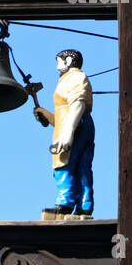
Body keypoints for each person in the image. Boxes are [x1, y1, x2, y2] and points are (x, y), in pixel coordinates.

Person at [33, 49, 94, 216]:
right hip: (77, 123)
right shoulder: (67, 79)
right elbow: (63, 116)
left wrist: (68, 132)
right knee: (81, 167)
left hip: (77, 124)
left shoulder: (75, 77)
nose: (56, 66)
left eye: (58, 61)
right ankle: (84, 207)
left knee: (63, 163)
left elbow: (78, 105)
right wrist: (46, 115)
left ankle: (64, 204)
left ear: (68, 61)